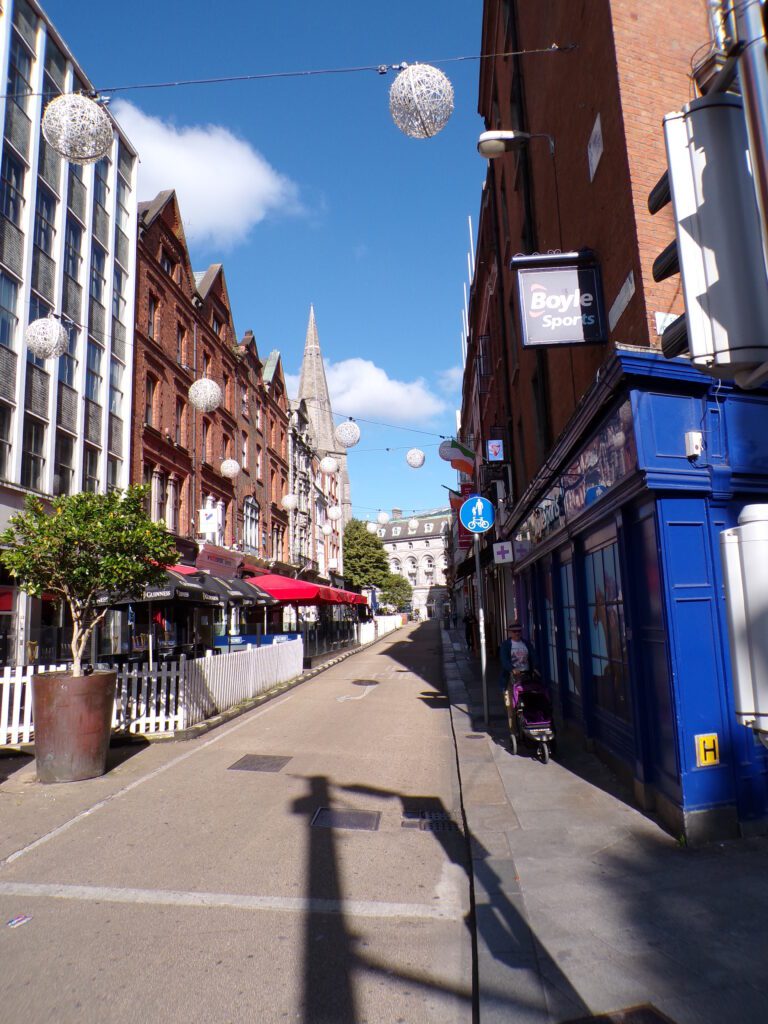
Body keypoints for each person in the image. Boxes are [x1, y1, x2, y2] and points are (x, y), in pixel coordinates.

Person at [498, 622, 535, 695]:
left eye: (519, 631)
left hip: (526, 674)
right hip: (511, 676)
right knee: (512, 700)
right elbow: (504, 660)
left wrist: (535, 667)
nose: (517, 633)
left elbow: (533, 656)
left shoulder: (526, 644)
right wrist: (512, 669)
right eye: (514, 631)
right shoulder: (505, 645)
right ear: (510, 633)